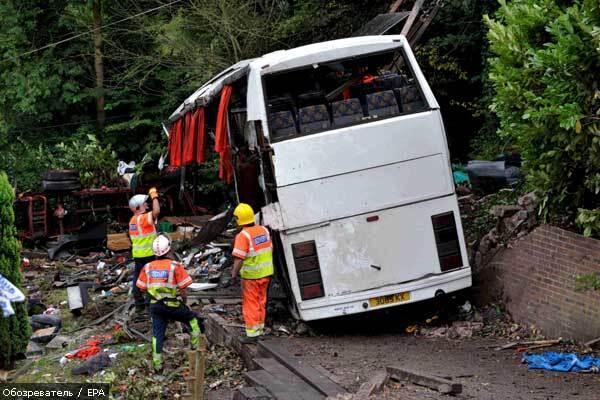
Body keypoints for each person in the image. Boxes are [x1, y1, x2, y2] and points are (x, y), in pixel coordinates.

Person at [136, 235, 203, 372]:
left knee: (157, 335)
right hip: (173, 305)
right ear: (169, 250)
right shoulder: (175, 266)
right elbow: (183, 289)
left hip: (155, 306)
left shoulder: (147, 267)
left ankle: (158, 366)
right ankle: (196, 349)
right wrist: (184, 303)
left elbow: (141, 288)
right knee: (193, 320)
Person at [230, 203, 274, 342]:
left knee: (251, 303)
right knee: (261, 301)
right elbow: (270, 249)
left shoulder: (242, 236)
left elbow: (239, 259)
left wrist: (233, 274)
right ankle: (259, 329)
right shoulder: (264, 230)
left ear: (238, 219)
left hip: (251, 277)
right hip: (266, 274)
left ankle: (252, 334)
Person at [128, 188, 160, 313]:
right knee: (150, 279)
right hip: (148, 254)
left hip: (138, 254)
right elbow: (156, 211)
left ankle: (139, 304)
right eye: (144, 203)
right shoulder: (143, 218)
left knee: (138, 279)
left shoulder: (133, 220)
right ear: (137, 207)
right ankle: (148, 304)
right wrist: (154, 196)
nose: (147, 204)